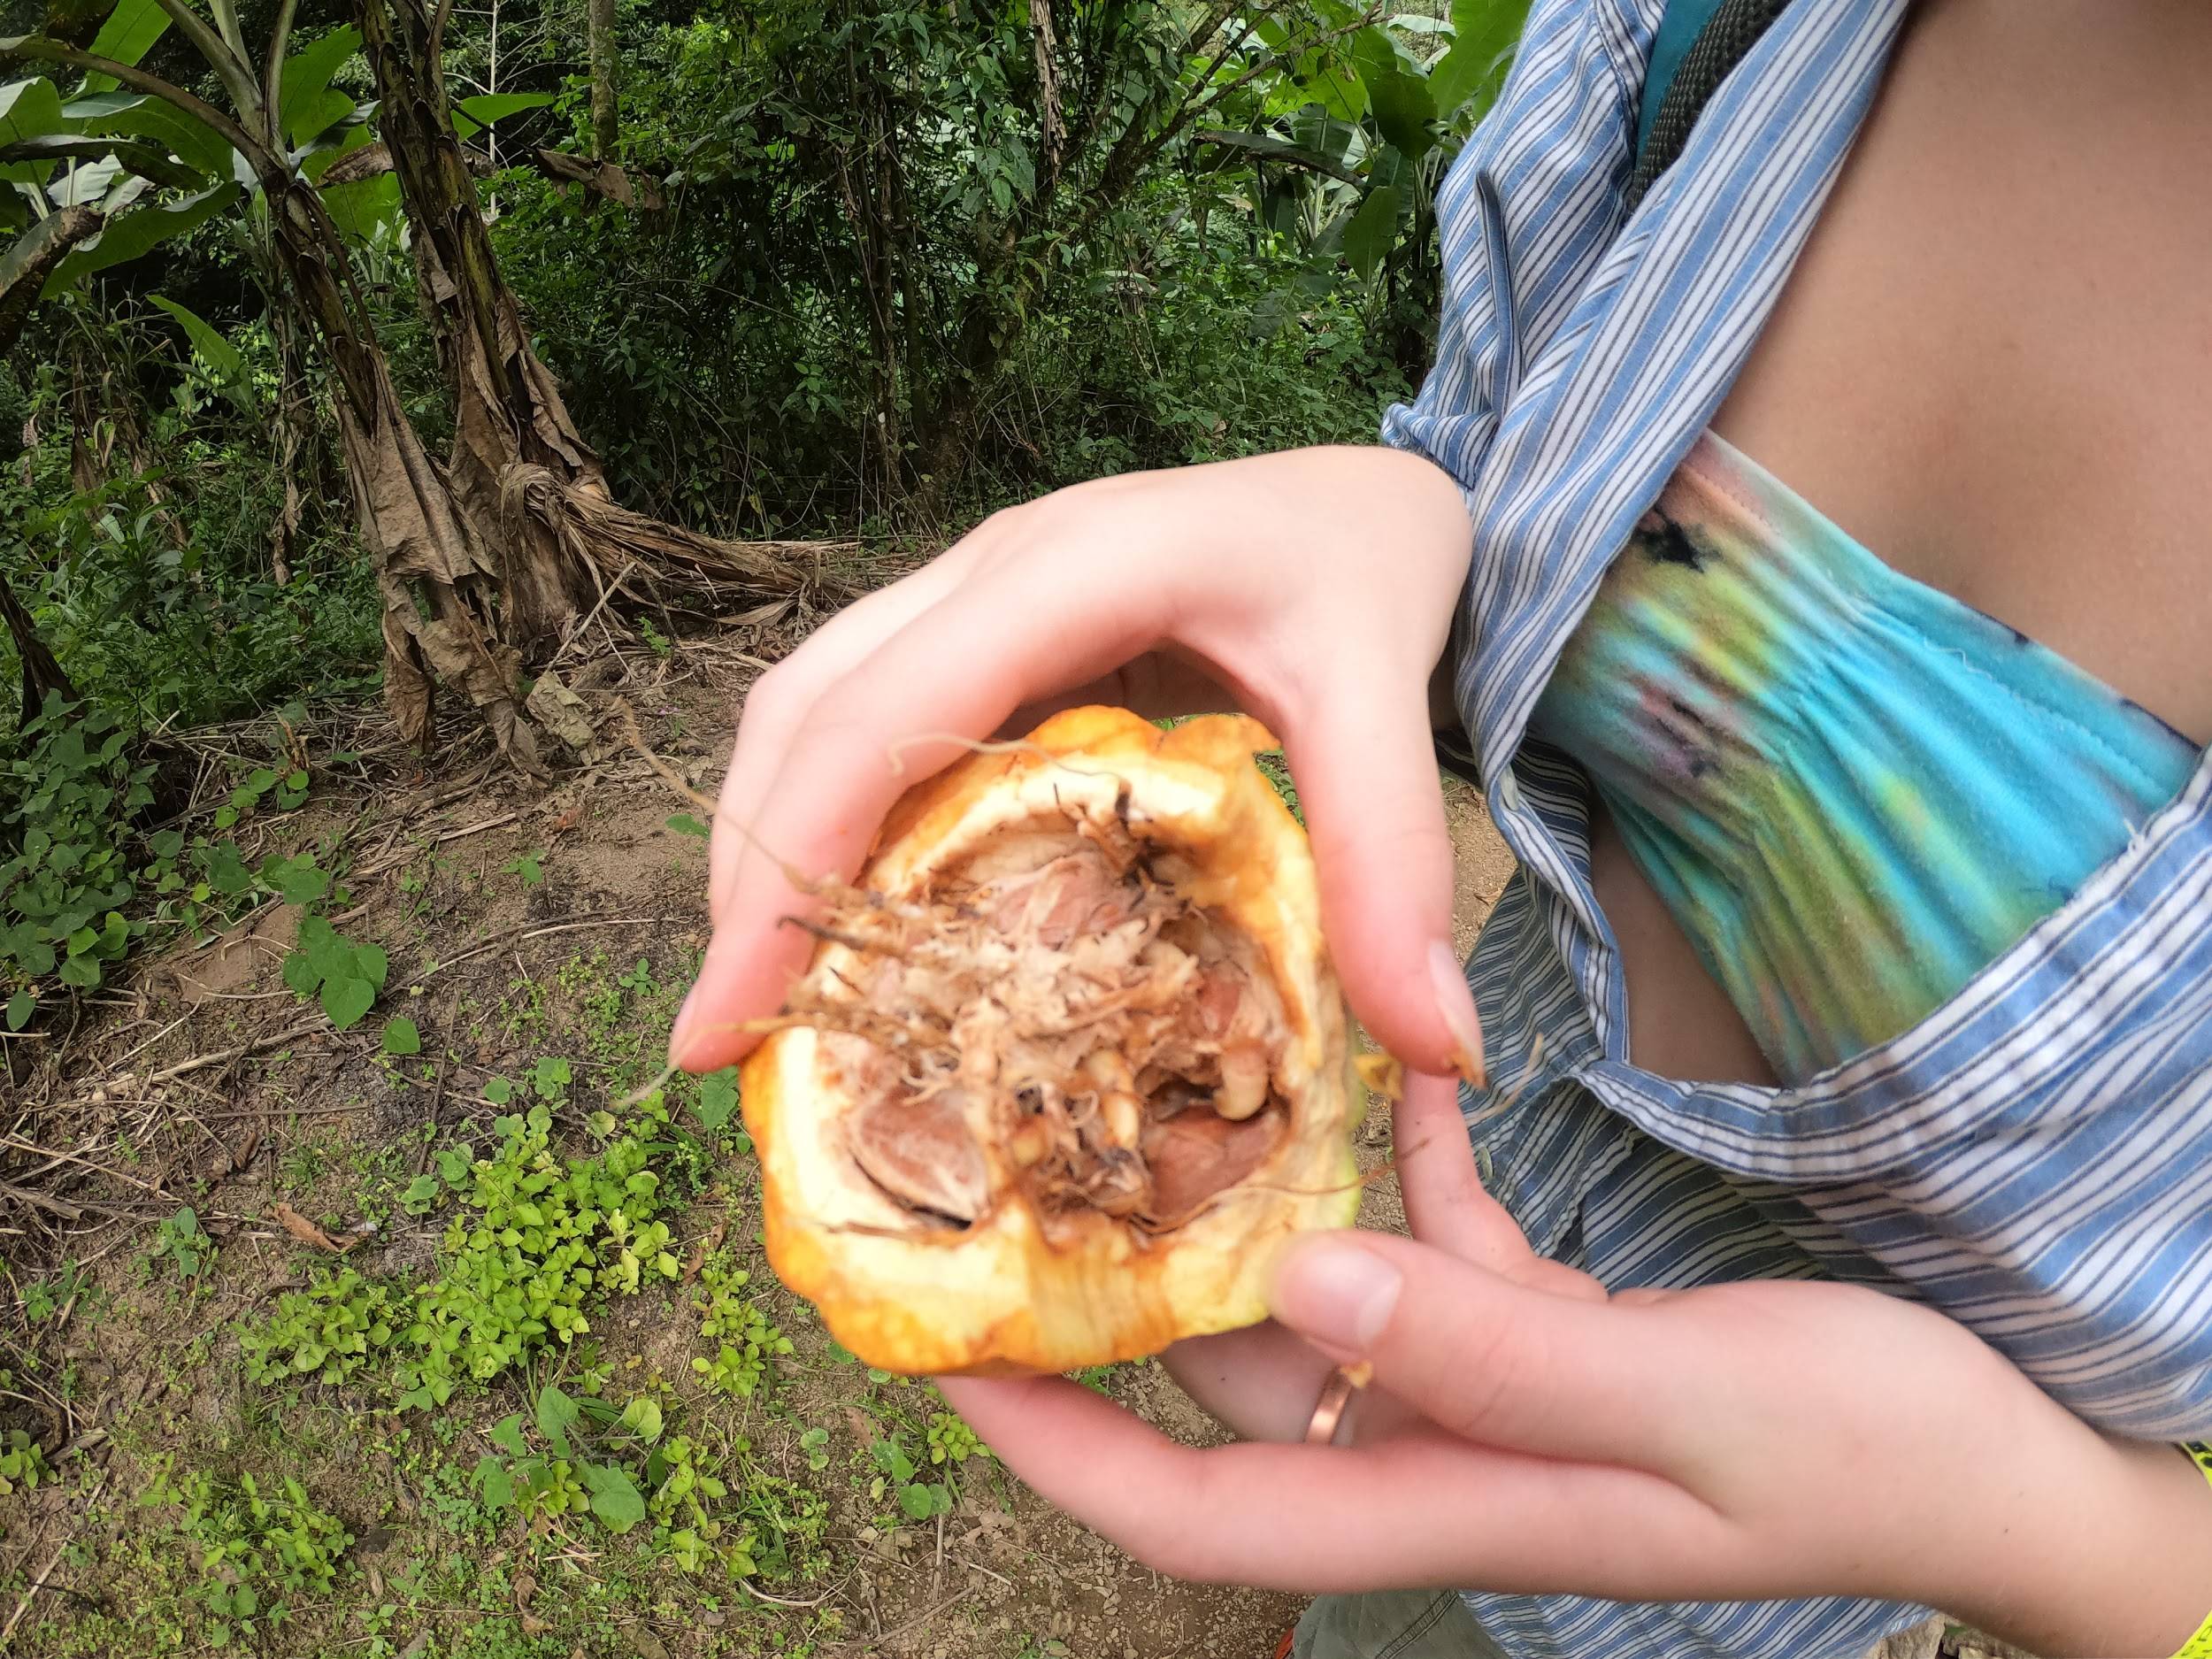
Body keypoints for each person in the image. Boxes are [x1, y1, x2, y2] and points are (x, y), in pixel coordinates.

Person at [669, 0, 2212, 1654]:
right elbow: (1496, 473)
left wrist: (2072, 1546)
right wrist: (1404, 515)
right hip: (1424, 1338)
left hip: (1802, 1608)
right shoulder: (1701, 23)